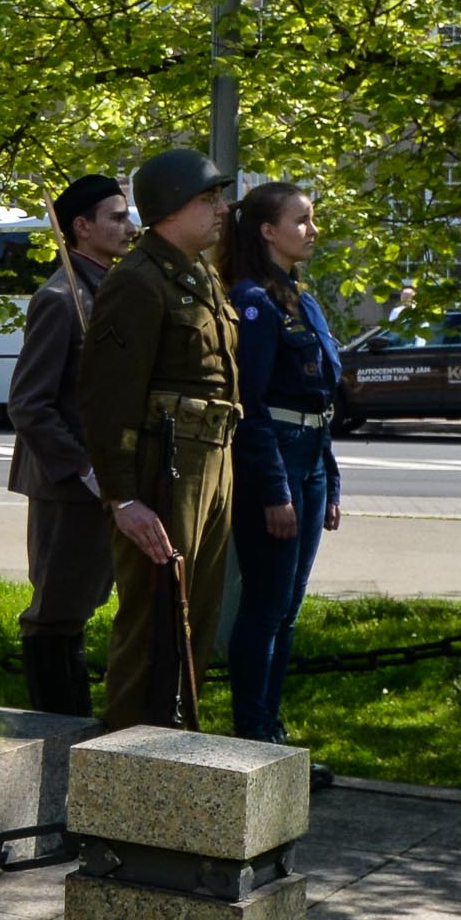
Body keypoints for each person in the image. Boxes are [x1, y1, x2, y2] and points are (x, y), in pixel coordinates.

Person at [76, 147, 241, 732]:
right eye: (208, 198)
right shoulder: (140, 283)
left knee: (194, 612)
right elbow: (104, 398)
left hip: (209, 461)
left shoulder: (200, 276)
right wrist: (122, 498)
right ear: (172, 206)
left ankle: (177, 748)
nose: (221, 209)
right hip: (164, 468)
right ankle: (128, 764)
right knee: (153, 621)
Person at [5, 174, 135, 716]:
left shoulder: (107, 290)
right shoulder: (60, 298)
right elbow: (29, 403)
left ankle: (75, 727)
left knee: (83, 605)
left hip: (105, 479)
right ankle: (58, 730)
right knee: (56, 612)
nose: (129, 227)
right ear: (80, 227)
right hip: (68, 486)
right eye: (116, 217)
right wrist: (83, 470)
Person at [224, 182, 343, 744]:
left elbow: (320, 397)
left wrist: (332, 479)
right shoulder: (254, 301)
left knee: (288, 610)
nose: (312, 231)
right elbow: (249, 404)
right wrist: (275, 489)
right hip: (278, 464)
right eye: (302, 221)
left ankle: (271, 728)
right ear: (268, 231)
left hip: (311, 460)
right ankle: (252, 734)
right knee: (266, 608)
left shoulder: (300, 297)